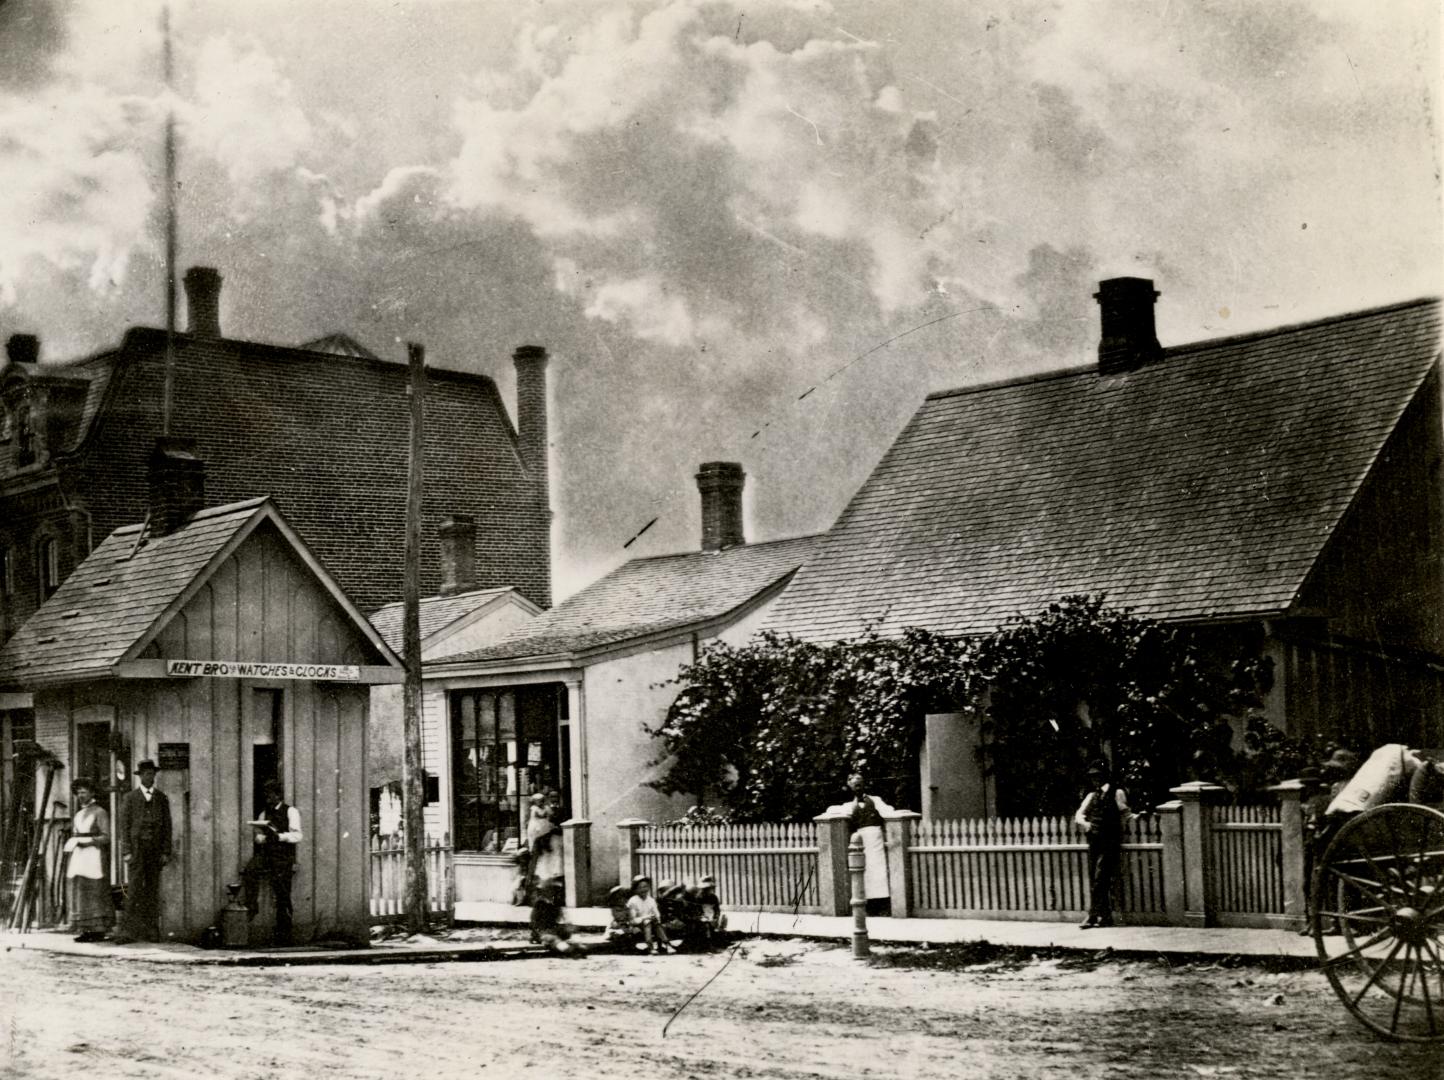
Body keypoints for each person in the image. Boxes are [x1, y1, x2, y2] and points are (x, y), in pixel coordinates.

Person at [117, 759, 173, 943]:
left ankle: (151, 930)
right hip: (137, 850)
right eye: (147, 774)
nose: (150, 777)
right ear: (140, 776)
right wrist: (126, 851)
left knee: (152, 890)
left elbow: (167, 827)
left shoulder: (161, 798)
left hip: (154, 851)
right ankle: (127, 932)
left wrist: (165, 851)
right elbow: (124, 827)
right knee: (133, 890)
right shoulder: (130, 798)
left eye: (152, 774)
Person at [1074, 758, 1132, 929]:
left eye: (1098, 776)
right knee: (1097, 878)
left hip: (1110, 840)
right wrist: (1087, 824)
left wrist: (1137, 818)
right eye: (1092, 777)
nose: (1095, 780)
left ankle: (1092, 916)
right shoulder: (1092, 795)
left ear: (1105, 776)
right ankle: (1105, 917)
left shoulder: (1117, 793)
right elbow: (1078, 816)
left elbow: (1126, 814)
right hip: (1095, 840)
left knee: (1100, 877)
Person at [243, 780, 303, 946]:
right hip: (267, 855)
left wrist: (280, 836)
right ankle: (252, 905)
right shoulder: (264, 814)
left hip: (283, 857)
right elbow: (258, 837)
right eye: (266, 796)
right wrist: (261, 838)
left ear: (278, 795)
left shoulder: (291, 811)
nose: (268, 799)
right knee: (250, 870)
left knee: (282, 894)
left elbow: (298, 836)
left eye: (270, 796)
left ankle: (284, 936)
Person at [837, 773, 895, 916]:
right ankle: (869, 905)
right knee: (864, 871)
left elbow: (889, 812)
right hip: (860, 839)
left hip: (876, 839)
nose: (858, 787)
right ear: (849, 786)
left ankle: (883, 904)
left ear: (864, 784)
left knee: (879, 871)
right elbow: (835, 813)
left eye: (860, 783)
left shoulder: (875, 800)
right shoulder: (849, 805)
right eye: (854, 784)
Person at [65, 778, 111, 943]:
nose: (80, 796)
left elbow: (106, 837)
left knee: (95, 890)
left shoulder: (100, 812)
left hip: (94, 854)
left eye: (84, 792)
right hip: (80, 855)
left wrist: (89, 842)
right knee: (81, 889)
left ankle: (98, 930)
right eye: (78, 793)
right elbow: (76, 834)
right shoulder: (78, 814)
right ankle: (85, 929)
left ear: (92, 793)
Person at [626, 874, 673, 954]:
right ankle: (650, 947)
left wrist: (655, 918)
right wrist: (646, 918)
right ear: (635, 889)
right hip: (637, 925)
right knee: (647, 922)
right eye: (640, 887)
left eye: (645, 887)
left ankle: (667, 944)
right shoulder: (633, 901)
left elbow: (657, 913)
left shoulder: (651, 900)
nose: (643, 890)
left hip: (652, 924)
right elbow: (633, 920)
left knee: (654, 922)